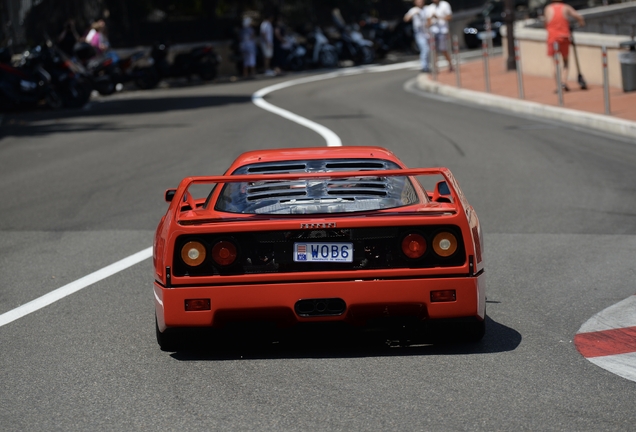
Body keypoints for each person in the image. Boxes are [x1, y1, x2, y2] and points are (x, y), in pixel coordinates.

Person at [544, 0, 585, 91]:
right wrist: (581, 23)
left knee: (554, 62)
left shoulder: (548, 9)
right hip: (564, 37)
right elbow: (579, 17)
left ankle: (558, 85)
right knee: (565, 61)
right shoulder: (565, 7)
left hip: (552, 38)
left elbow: (546, 22)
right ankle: (563, 81)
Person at [404, 0, 430, 73]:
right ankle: (424, 66)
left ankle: (428, 65)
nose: (420, 2)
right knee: (424, 49)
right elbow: (406, 19)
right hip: (419, 33)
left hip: (427, 32)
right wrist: (413, 14)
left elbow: (430, 18)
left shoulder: (427, 9)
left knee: (429, 50)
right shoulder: (413, 10)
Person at [427, 0, 453, 72]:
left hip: (443, 31)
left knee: (443, 49)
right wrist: (431, 19)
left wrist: (438, 17)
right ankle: (436, 67)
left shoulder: (445, 4)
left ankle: (450, 64)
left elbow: (449, 17)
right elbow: (428, 21)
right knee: (434, 50)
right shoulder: (430, 7)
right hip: (433, 31)